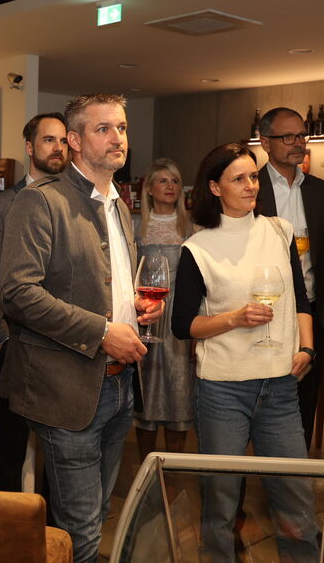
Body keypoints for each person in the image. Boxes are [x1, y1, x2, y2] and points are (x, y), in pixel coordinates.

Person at [0, 93, 162, 563]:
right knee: (82, 532)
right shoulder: (40, 201)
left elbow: (102, 283)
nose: (118, 138)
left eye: (122, 128)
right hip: (66, 388)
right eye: (103, 129)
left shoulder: (117, 203)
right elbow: (18, 293)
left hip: (120, 384)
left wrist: (134, 308)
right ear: (73, 140)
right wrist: (104, 331)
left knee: (96, 518)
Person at [172, 142, 319, 562]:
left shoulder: (280, 231)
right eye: (238, 178)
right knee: (221, 501)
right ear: (214, 187)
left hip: (280, 386)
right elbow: (183, 326)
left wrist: (307, 347)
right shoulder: (198, 248)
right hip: (223, 389)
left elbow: (300, 299)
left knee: (296, 498)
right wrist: (234, 319)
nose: (250, 185)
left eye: (253, 176)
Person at [0, 112, 67, 492]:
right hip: (18, 344)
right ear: (30, 148)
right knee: (11, 447)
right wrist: (3, 341)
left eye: (63, 140)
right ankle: (8, 524)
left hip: (66, 346)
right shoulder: (1, 207)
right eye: (49, 140)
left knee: (61, 451)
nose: (58, 148)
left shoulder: (75, 203)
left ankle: (55, 525)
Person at [256, 107, 324, 449]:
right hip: (263, 315)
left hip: (311, 314)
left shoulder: (321, 190)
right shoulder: (250, 187)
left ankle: (293, 476)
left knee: (304, 408)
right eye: (288, 136)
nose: (298, 143)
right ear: (265, 142)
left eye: (302, 135)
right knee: (258, 407)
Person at [133, 158, 195, 458]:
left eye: (175, 181)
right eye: (163, 180)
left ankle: (173, 471)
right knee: (146, 387)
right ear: (149, 189)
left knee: (178, 390)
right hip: (145, 316)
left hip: (180, 318)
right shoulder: (135, 226)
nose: (170, 186)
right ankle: (146, 466)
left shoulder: (193, 226)